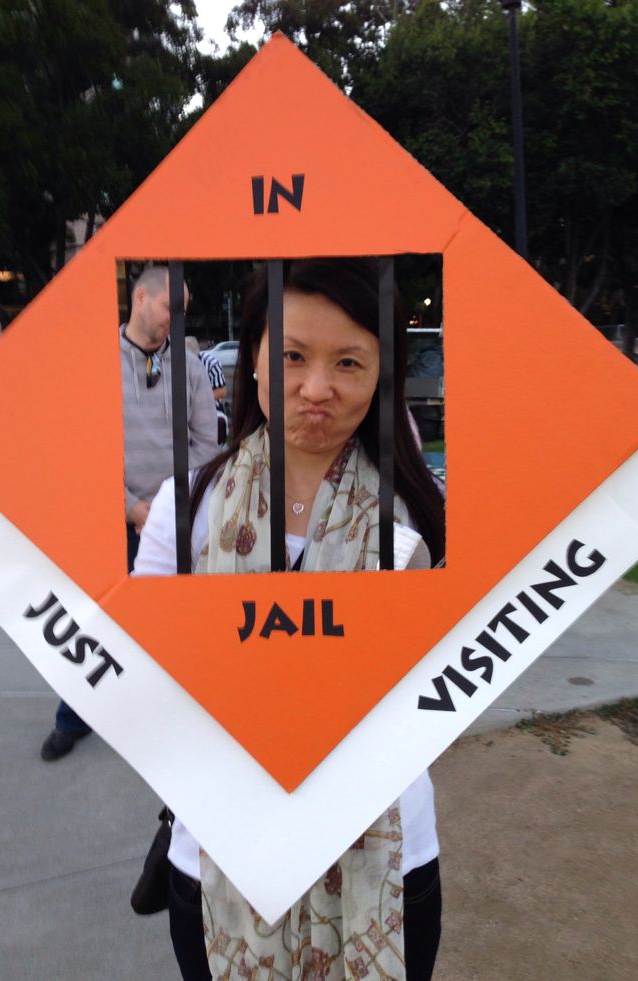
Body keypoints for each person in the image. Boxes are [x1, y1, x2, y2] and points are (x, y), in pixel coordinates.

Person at [135, 258, 446, 979]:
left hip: (391, 855)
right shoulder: (184, 512)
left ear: (383, 371)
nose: (316, 389)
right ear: (252, 358)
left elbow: (443, 686)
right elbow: (146, 691)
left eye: (349, 362)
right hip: (218, 857)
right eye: (293, 356)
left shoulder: (420, 518)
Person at [40, 266, 219, 762]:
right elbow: (78, 445)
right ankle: (72, 718)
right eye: (169, 309)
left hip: (173, 520)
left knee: (176, 624)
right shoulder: (94, 363)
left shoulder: (191, 366)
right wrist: (128, 507)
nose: (175, 321)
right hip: (109, 519)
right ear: (141, 297)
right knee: (95, 621)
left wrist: (166, 509)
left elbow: (207, 442)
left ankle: (174, 718)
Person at [185, 335, 229, 445]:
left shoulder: (211, 364)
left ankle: (217, 452)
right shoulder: (175, 365)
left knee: (218, 423)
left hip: (211, 407)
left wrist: (198, 400)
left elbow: (222, 391)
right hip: (183, 409)